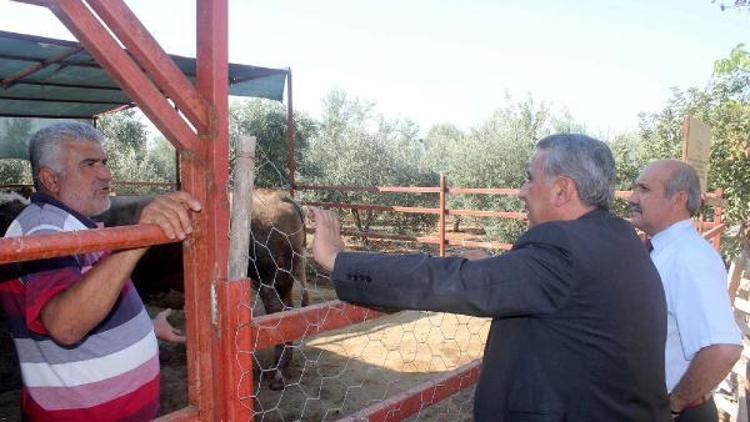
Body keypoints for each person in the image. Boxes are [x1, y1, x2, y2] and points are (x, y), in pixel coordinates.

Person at [311, 134, 670, 421]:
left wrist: (339, 260)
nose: (521, 191)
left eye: (530, 178)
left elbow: (451, 282)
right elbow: (568, 294)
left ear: (563, 190)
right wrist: (499, 266)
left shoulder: (562, 248)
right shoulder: (619, 239)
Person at [0, 121, 201, 421]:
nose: (106, 173)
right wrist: (140, 237)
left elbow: (92, 299)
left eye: (104, 162)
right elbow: (66, 325)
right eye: (89, 164)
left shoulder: (75, 226)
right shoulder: (44, 229)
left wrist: (147, 328)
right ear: (51, 180)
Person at [629, 160, 742, 421]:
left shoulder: (690, 257)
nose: (633, 198)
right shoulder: (664, 251)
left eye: (644, 189)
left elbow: (724, 349)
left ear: (678, 199)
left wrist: (673, 405)